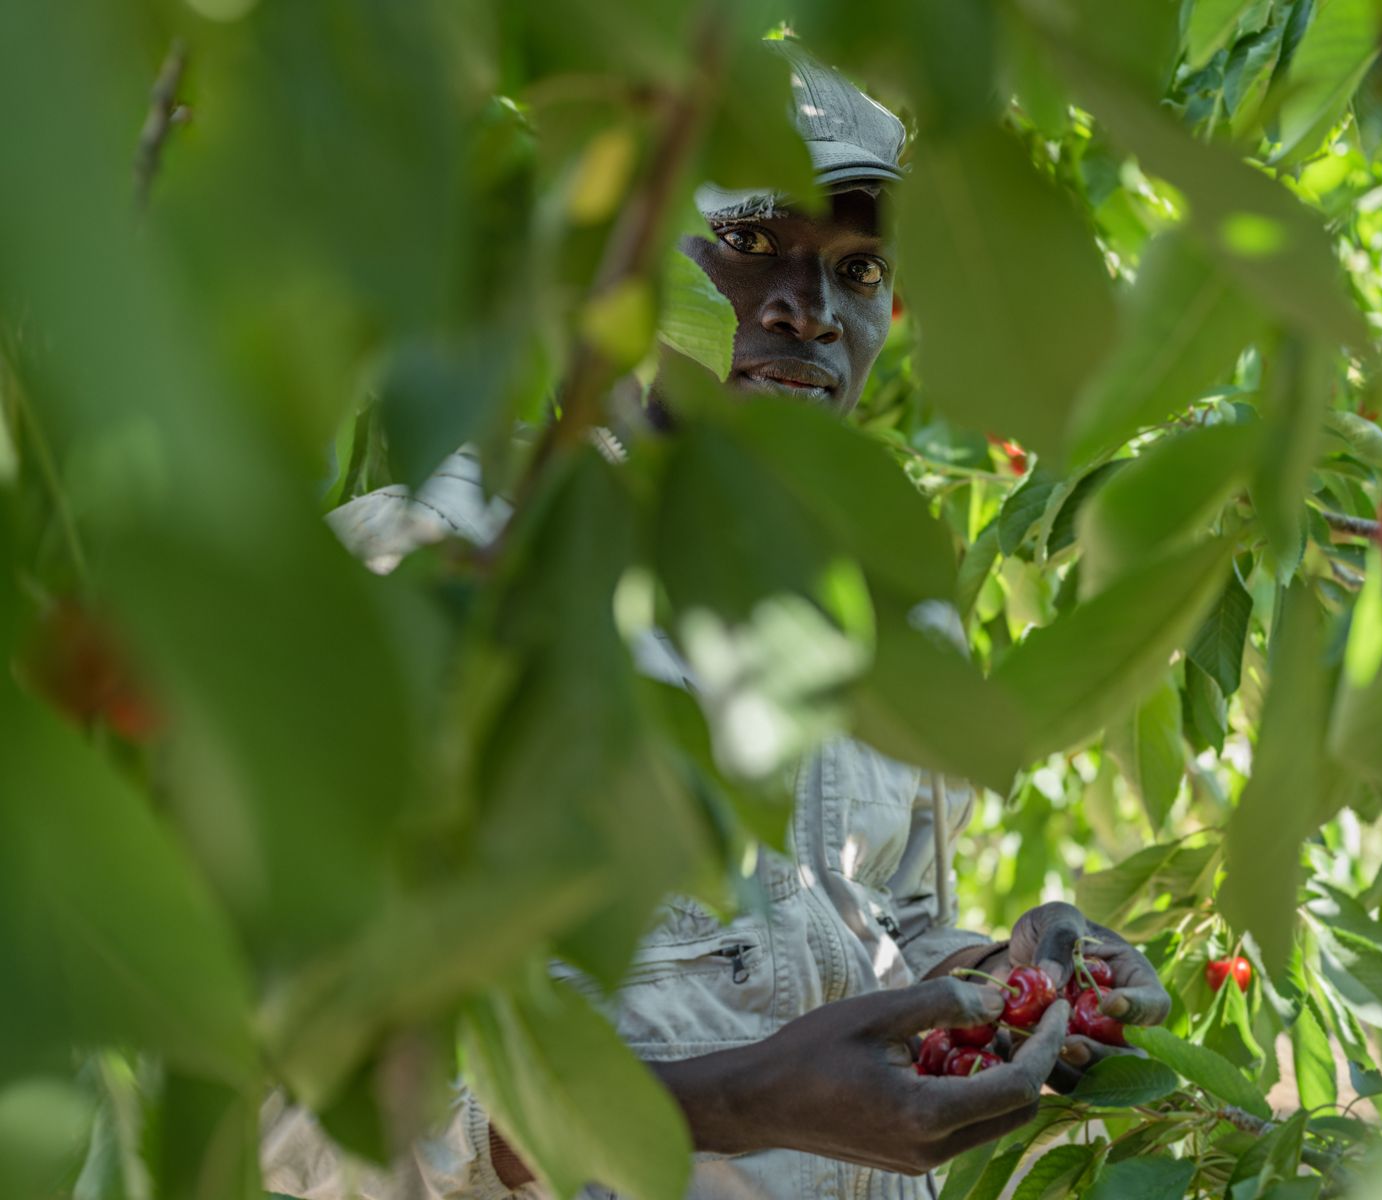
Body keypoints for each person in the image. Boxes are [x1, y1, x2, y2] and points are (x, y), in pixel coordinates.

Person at [262, 41, 1170, 1200]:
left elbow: (884, 931)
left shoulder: (892, 631)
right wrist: (735, 1104)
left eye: (857, 270)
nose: (808, 312)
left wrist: (1017, 977)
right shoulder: (420, 586)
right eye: (748, 244)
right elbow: (292, 1122)